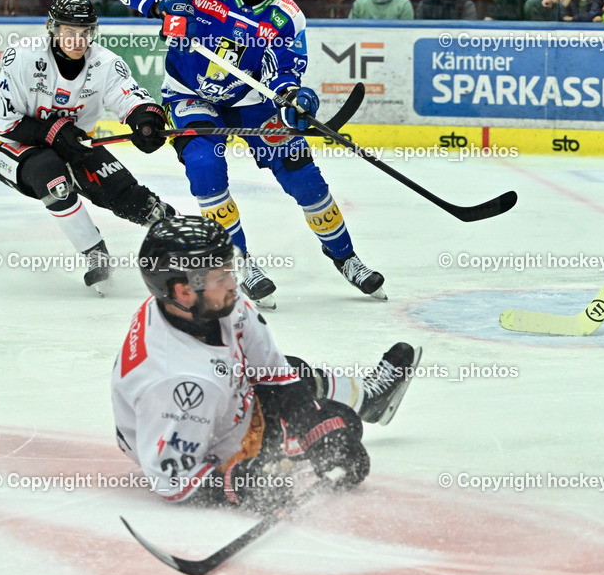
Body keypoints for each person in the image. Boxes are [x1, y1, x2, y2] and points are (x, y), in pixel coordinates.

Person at [116, 0, 386, 309]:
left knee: (301, 171)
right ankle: (238, 262)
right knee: (205, 166)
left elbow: (286, 70)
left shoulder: (286, 16)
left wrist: (292, 94)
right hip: (190, 93)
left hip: (251, 99)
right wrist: (163, 4)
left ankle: (345, 257)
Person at [112, 215, 422, 508]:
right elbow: (174, 481)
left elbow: (277, 376)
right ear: (183, 291)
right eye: (221, 276)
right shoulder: (180, 383)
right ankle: (355, 409)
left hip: (188, 416)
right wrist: (239, 484)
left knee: (299, 373)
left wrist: (312, 423)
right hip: (199, 443)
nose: (234, 284)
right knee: (343, 421)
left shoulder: (203, 304)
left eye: (230, 270)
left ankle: (368, 400)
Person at [0, 0, 175, 292]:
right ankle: (95, 254)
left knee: (127, 194)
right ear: (53, 29)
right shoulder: (22, 56)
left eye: (85, 32)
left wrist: (145, 121)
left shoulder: (104, 63)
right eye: (69, 32)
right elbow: (3, 122)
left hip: (71, 144)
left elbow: (130, 97)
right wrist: (53, 132)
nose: (78, 40)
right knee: (53, 178)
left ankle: (183, 243)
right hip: (10, 146)